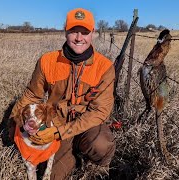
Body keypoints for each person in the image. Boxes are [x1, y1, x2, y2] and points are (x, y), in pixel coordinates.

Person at [9, 8, 116, 179]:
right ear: (65, 31)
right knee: (53, 176)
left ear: (93, 33)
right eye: (73, 31)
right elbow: (32, 95)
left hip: (87, 125)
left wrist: (59, 133)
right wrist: (14, 121)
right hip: (56, 123)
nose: (79, 38)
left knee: (101, 144)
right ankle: (69, 153)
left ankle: (101, 168)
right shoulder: (47, 61)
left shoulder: (104, 67)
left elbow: (99, 112)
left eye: (85, 32)